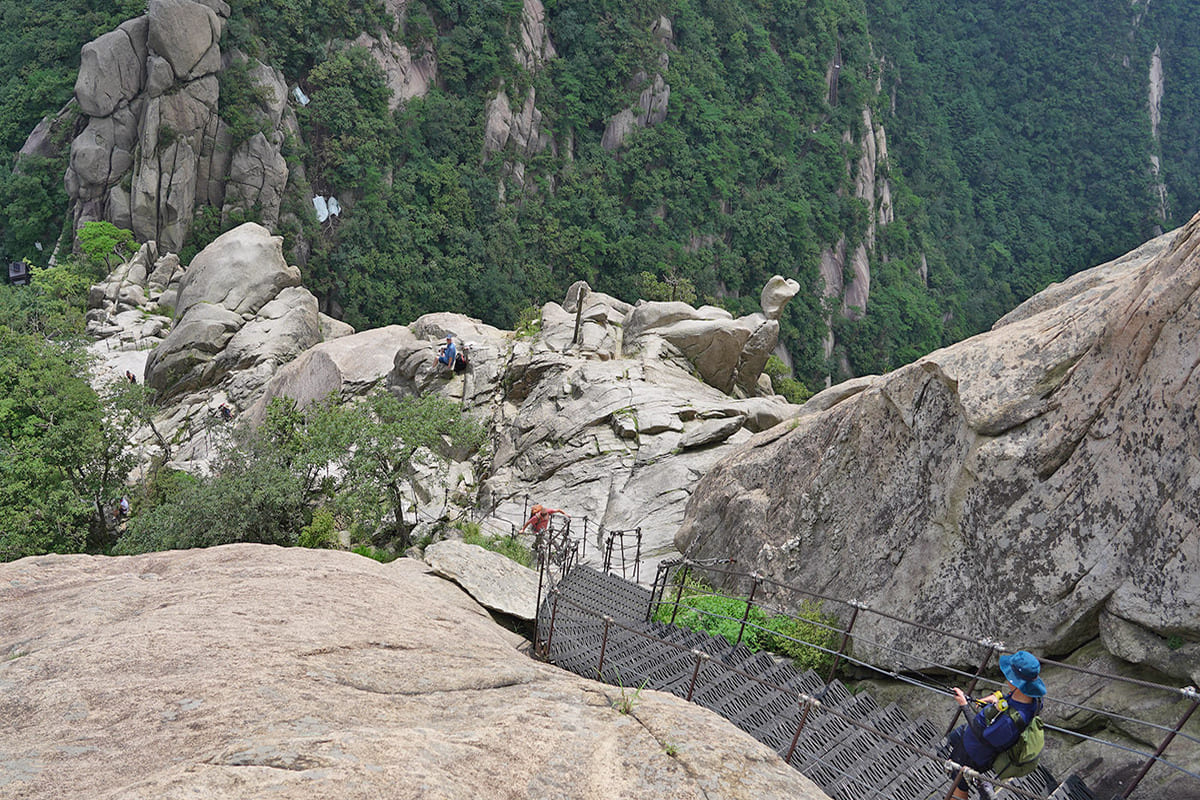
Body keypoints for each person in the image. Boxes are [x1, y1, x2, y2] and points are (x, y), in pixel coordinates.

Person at [947, 650, 1046, 800]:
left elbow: (982, 736)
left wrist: (964, 705)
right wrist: (995, 698)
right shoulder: (1033, 699)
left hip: (975, 753)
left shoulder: (1009, 722)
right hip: (973, 744)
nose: (1007, 679)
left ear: (1017, 683)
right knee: (954, 741)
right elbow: (1009, 700)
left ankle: (982, 791)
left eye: (1010, 676)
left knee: (959, 782)